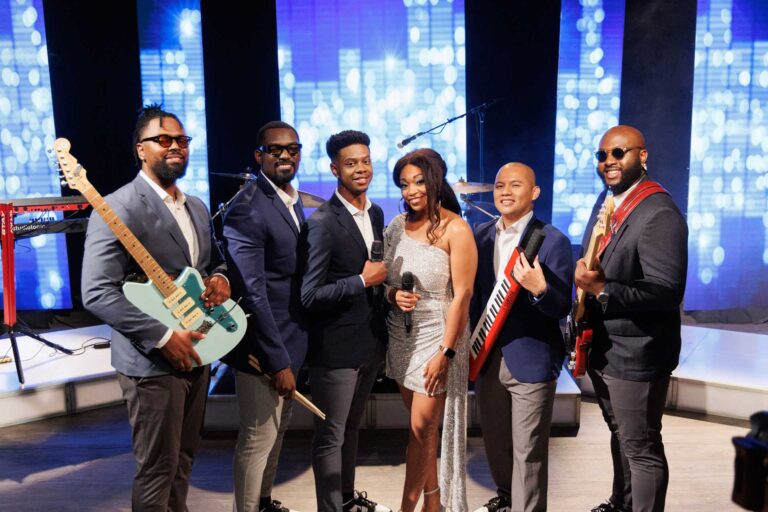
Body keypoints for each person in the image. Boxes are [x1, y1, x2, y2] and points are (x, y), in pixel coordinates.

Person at [82, 104, 231, 511]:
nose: (175, 146)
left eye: (182, 140)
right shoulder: (117, 207)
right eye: (163, 139)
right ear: (140, 149)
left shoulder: (196, 206)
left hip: (198, 351)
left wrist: (221, 279)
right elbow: (96, 291)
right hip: (151, 362)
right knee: (157, 470)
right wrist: (163, 337)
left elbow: (212, 263)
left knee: (183, 461)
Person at [575, 125, 688, 512]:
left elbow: (666, 291)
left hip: (638, 353)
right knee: (621, 434)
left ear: (642, 156)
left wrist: (602, 289)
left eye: (618, 153)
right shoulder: (607, 201)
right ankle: (621, 503)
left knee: (642, 447)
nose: (608, 161)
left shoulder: (659, 212)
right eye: (602, 155)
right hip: (606, 347)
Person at [471, 163, 574, 512]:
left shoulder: (552, 240)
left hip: (531, 359)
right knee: (496, 445)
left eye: (515, 185)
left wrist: (540, 288)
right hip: (488, 357)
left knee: (528, 453)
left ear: (534, 192)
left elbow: (562, 306)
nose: (505, 192)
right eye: (499, 185)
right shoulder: (481, 235)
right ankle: (507, 500)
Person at [300, 130, 391, 512]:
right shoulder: (322, 222)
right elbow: (309, 295)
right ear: (334, 169)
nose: (361, 169)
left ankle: (348, 500)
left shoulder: (376, 213)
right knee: (330, 437)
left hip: (369, 344)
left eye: (365, 161)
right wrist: (360, 281)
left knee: (352, 429)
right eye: (351, 163)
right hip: (334, 351)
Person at [221, 121, 308, 512]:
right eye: (275, 150)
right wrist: (277, 360)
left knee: (276, 434)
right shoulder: (247, 208)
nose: (285, 155)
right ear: (259, 156)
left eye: (292, 149)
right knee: (257, 440)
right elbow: (253, 293)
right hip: (262, 349)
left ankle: (264, 503)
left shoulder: (289, 199)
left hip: (289, 343)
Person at [384, 149, 477, 512]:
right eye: (404, 184)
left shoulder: (456, 228)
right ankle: (433, 502)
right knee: (423, 434)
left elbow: (463, 296)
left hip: (438, 338)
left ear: (435, 180)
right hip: (401, 336)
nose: (411, 191)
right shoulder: (396, 226)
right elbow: (383, 279)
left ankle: (407, 508)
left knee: (421, 431)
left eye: (419, 182)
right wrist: (392, 294)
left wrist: (446, 353)